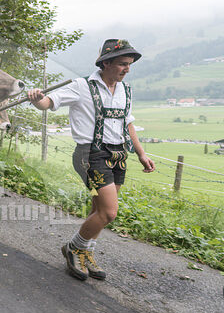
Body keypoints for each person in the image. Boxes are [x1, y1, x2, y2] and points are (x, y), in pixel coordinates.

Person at [27, 39, 155, 281]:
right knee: (109, 212)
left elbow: (128, 124)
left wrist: (141, 153)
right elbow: (48, 102)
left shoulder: (125, 90)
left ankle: (86, 252)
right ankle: (74, 248)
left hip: (118, 155)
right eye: (122, 64)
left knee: (98, 209)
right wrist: (36, 98)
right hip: (90, 155)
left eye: (129, 65)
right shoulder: (80, 86)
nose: (127, 69)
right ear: (105, 63)